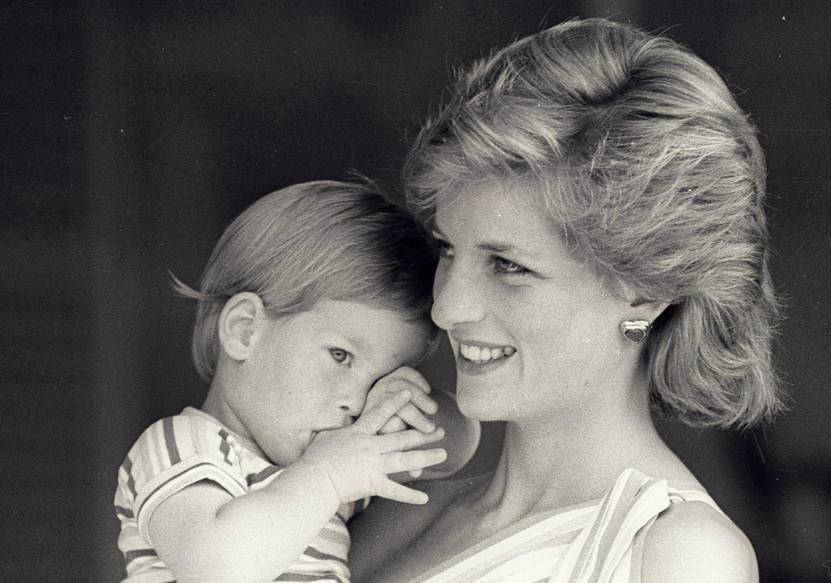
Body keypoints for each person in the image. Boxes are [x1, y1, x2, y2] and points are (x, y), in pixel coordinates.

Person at [348, 18, 784, 583]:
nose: (447, 309)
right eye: (447, 249)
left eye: (508, 266)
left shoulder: (678, 554)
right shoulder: (394, 518)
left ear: (646, 290)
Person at [113, 180, 480, 583]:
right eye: (340, 356)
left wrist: (396, 412)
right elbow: (219, 569)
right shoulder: (182, 447)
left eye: (380, 379)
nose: (357, 402)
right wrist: (327, 476)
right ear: (245, 329)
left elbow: (454, 446)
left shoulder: (333, 462)